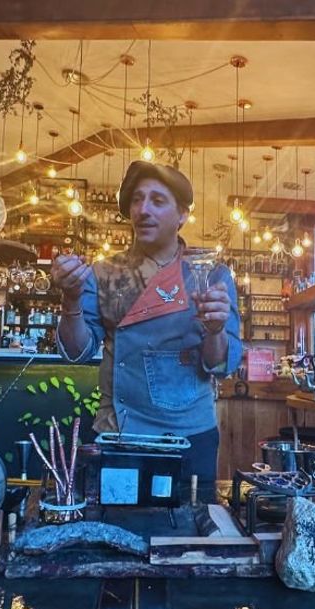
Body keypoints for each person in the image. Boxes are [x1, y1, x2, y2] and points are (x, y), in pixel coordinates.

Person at [52, 161, 242, 482]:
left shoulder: (210, 274)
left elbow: (221, 365)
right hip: (120, 432)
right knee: (118, 529)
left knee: (188, 528)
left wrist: (216, 330)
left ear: (182, 215)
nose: (143, 209)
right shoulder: (105, 273)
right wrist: (69, 299)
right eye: (137, 199)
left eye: (157, 200)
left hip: (189, 436)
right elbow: (77, 351)